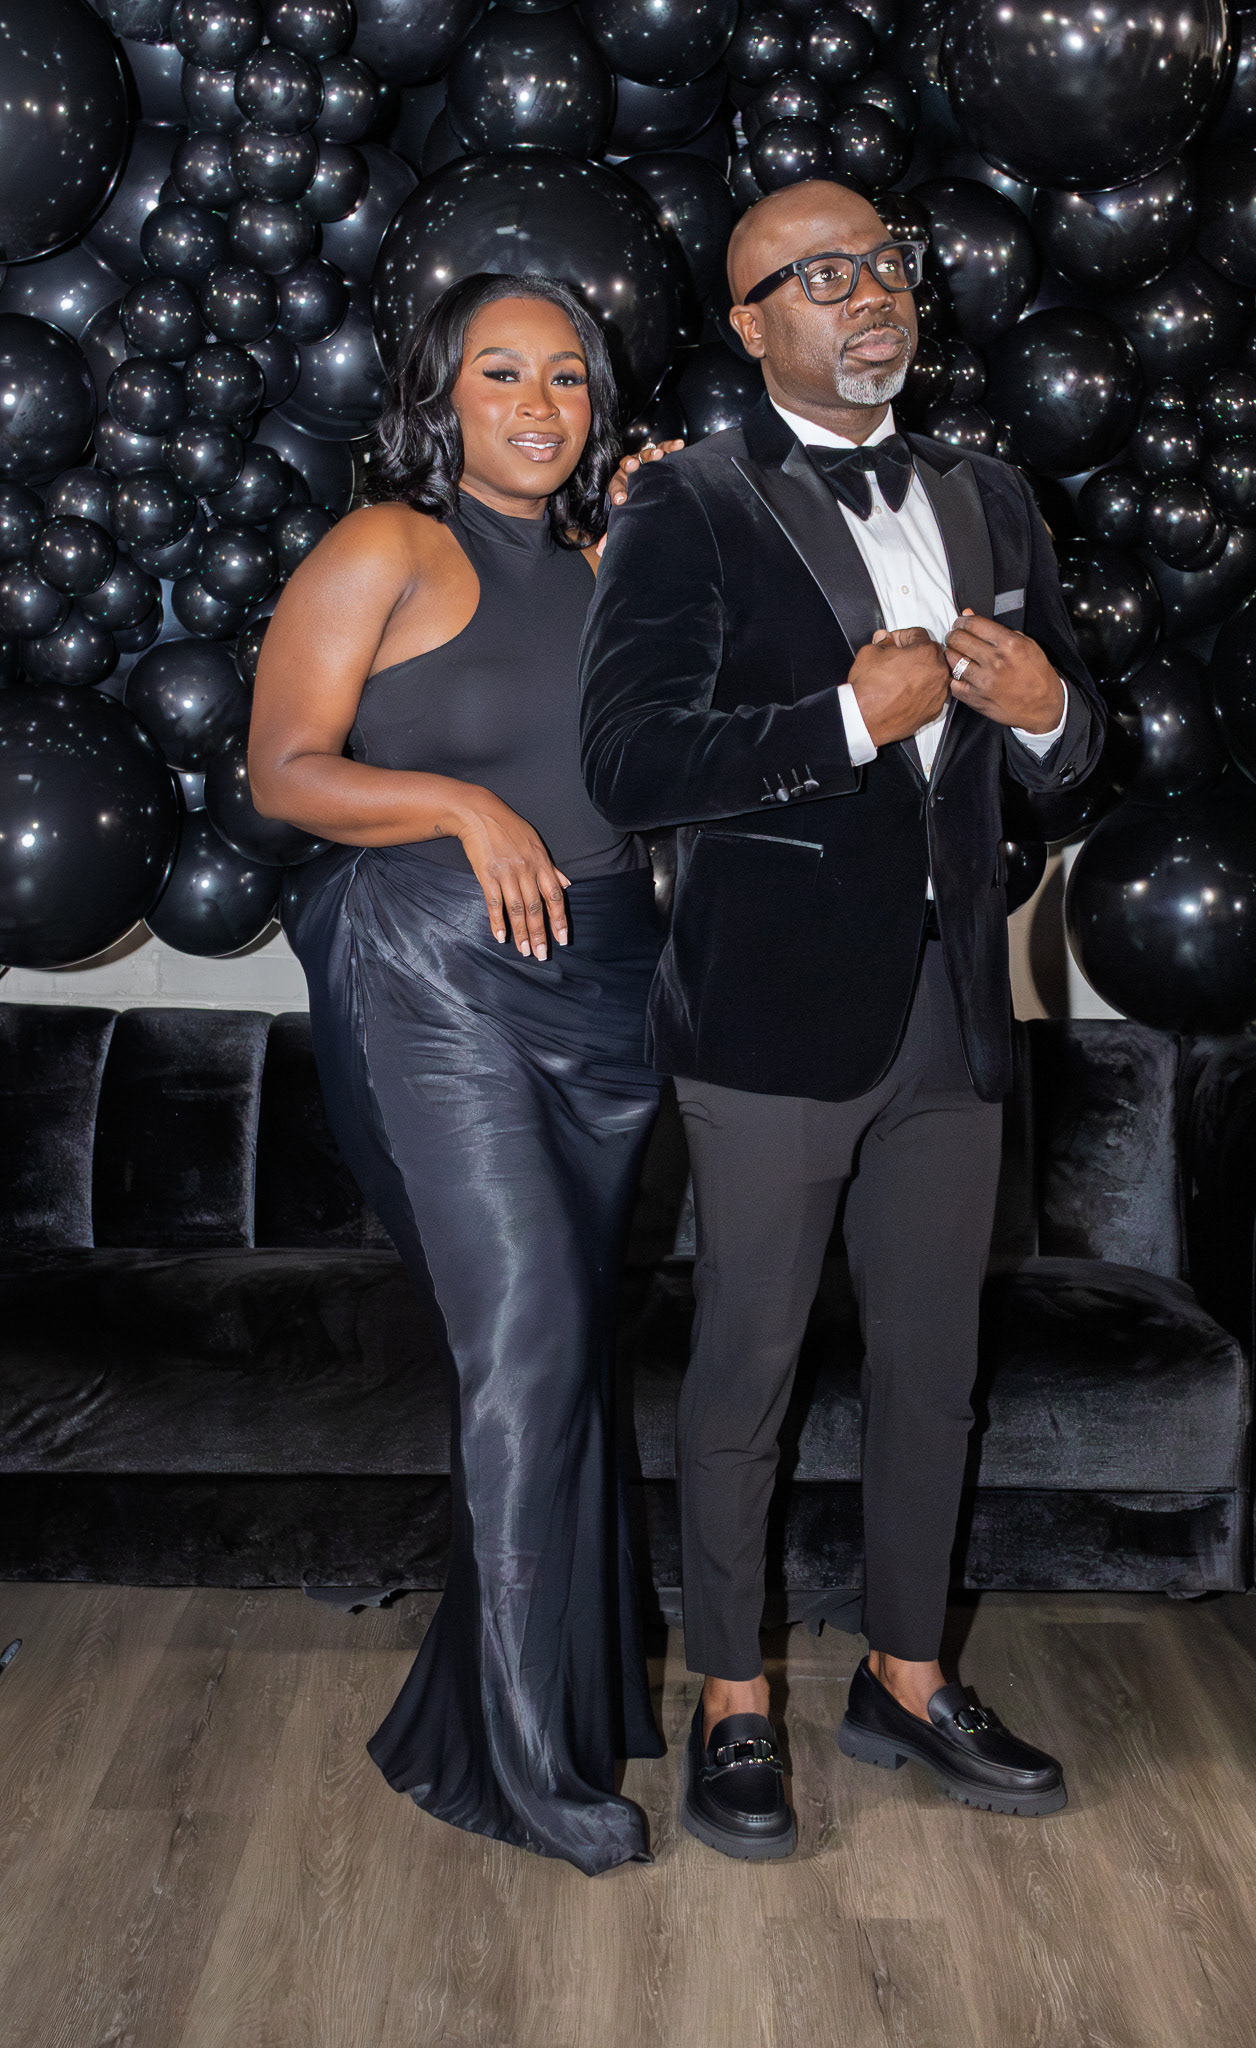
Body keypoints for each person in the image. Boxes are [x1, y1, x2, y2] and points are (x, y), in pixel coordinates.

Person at [580, 182, 1105, 1860]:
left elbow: (1070, 758)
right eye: (818, 275)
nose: (866, 292)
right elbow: (627, 764)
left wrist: (1052, 712)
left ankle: (904, 1675)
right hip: (768, 1019)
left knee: (933, 1374)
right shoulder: (690, 502)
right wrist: (838, 719)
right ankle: (731, 1701)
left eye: (882, 263)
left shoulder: (989, 493)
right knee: (743, 1370)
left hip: (956, 1012)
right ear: (748, 325)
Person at [248, 272, 667, 1877]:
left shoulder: (605, 560)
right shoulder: (387, 546)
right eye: (502, 373)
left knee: (569, 1350)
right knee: (529, 1340)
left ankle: (549, 1698)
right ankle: (516, 1760)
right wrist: (458, 804)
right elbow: (283, 770)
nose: (539, 405)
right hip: (433, 974)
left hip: (607, 987)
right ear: (440, 396)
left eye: (566, 376)